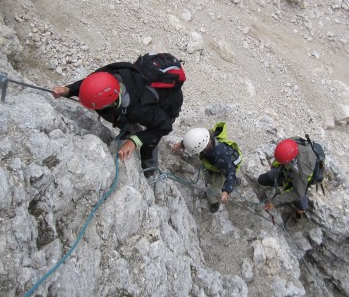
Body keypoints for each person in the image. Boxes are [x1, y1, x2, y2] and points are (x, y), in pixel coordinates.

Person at [53, 60, 183, 177]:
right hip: (137, 97)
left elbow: (164, 127)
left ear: (113, 101)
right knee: (121, 116)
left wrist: (134, 141)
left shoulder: (139, 109)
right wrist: (68, 90)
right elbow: (90, 85)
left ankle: (150, 170)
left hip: (167, 105)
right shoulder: (108, 73)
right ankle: (131, 130)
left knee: (150, 141)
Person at [172, 125, 242, 213]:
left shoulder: (221, 156)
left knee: (212, 190)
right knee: (217, 176)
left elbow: (231, 173)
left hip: (226, 167)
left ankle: (214, 203)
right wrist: (183, 144)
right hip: (222, 164)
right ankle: (235, 181)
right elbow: (195, 140)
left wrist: (226, 191)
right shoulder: (207, 138)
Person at [258, 138, 318, 216]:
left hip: (301, 181)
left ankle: (299, 212)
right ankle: (283, 183)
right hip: (287, 170)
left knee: (301, 207)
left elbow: (298, 193)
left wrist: (275, 201)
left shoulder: (302, 170)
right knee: (262, 180)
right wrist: (274, 166)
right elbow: (280, 157)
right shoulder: (291, 143)